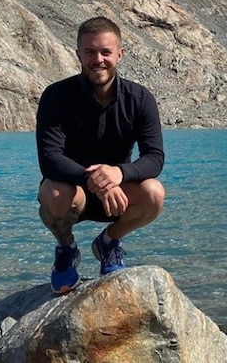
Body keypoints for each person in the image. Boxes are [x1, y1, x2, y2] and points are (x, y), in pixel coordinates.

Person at [36, 16, 165, 294]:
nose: (99, 59)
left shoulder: (140, 99)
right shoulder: (56, 96)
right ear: (78, 54)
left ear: (120, 54)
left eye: (106, 52)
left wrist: (119, 173)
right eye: (90, 52)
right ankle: (66, 248)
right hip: (73, 193)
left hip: (118, 197)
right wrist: (95, 178)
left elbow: (154, 157)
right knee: (53, 193)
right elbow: (49, 158)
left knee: (154, 193)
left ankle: (109, 242)